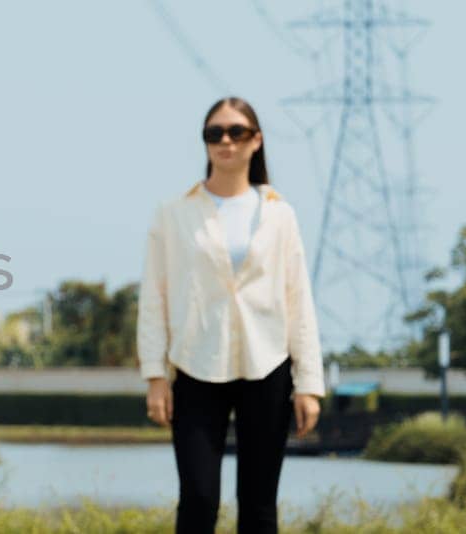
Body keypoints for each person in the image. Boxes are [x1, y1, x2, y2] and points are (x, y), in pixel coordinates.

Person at [136, 96, 325, 534]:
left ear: (256, 141)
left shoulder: (280, 214)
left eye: (236, 132)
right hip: (196, 365)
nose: (225, 141)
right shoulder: (174, 213)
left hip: (268, 366)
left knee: (259, 504)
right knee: (199, 498)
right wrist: (155, 375)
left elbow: (298, 301)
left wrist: (309, 384)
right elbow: (154, 297)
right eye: (214, 133)